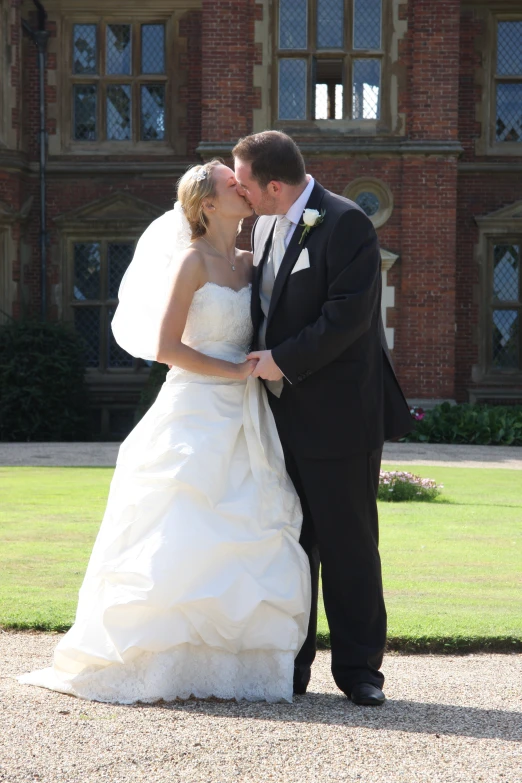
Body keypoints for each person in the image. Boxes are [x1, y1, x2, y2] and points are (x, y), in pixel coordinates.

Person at [17, 160, 311, 704]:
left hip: (248, 412)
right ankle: (164, 662)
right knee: (182, 525)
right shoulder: (191, 264)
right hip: (197, 405)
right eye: (231, 185)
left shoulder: (253, 262)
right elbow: (169, 346)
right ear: (206, 204)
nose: (243, 190)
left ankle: (234, 667)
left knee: (250, 524)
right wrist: (231, 370)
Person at [233, 131, 413, 706]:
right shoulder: (261, 225)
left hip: (340, 416)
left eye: (244, 183)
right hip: (275, 417)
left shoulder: (346, 223)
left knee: (349, 545)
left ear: (276, 186)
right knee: (291, 545)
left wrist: (280, 360)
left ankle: (361, 672)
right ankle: (293, 667)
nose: (240, 191)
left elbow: (348, 318)